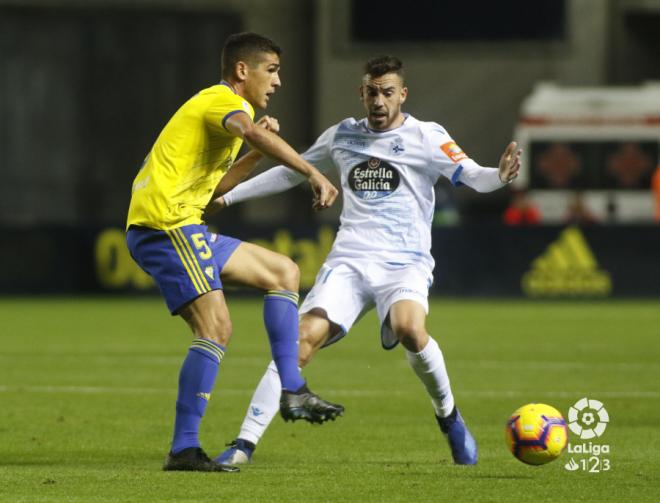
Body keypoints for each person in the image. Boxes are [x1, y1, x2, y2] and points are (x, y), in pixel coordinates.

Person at [209, 55, 521, 466]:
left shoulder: (427, 137)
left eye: (387, 92)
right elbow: (291, 172)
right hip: (350, 263)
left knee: (410, 328)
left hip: (404, 263)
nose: (378, 100)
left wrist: (497, 175)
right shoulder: (342, 136)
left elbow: (471, 175)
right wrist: (228, 196)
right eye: (371, 92)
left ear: (402, 95)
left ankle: (449, 417)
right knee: (298, 341)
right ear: (361, 93)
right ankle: (243, 445)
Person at [125, 32, 345, 473]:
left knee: (283, 271)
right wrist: (310, 172)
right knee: (216, 328)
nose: (278, 82)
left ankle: (294, 389)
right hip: (167, 226)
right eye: (272, 69)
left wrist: (252, 153)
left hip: (183, 223)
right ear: (243, 71)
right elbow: (245, 131)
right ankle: (184, 449)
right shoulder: (223, 102)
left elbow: (216, 190)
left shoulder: (227, 119)